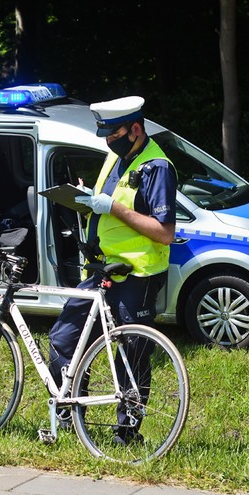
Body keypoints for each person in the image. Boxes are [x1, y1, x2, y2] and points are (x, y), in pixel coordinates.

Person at [48, 96, 177, 445]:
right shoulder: (115, 157)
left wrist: (113, 208)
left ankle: (127, 433)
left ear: (136, 129)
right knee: (64, 339)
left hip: (139, 274)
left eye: (115, 133)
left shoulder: (157, 167)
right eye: (105, 135)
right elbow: (109, 204)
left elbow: (165, 232)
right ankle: (70, 416)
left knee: (131, 353)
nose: (109, 141)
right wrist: (86, 199)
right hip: (103, 268)